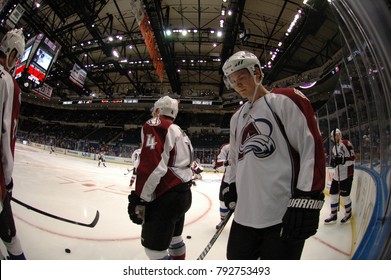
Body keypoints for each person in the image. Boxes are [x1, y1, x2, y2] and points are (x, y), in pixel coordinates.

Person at [222, 51, 326, 260]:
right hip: (244, 216)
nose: (238, 85)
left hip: (281, 214)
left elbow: (311, 148)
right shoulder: (237, 117)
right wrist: (230, 184)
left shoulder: (286, 100)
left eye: (241, 78)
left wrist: (307, 196)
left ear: (257, 73)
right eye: (233, 82)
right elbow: (234, 158)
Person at [127, 96, 194, 260]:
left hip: (165, 196)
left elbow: (153, 166)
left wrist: (140, 198)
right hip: (183, 195)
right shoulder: (179, 130)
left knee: (154, 251)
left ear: (158, 110)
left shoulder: (155, 124)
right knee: (175, 240)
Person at [0, 28, 26, 260]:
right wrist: (7, 182)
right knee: (9, 234)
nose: (16, 62)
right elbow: (6, 134)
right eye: (17, 56)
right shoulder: (7, 82)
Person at [325, 128, 355, 224]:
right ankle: (333, 215)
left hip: (347, 175)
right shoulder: (334, 149)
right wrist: (334, 163)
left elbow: (353, 159)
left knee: (345, 196)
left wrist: (342, 160)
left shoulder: (346, 143)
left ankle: (348, 213)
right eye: (333, 136)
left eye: (337, 135)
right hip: (337, 176)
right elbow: (336, 162)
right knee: (333, 195)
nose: (335, 137)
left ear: (340, 135)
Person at [214, 143, 231, 230]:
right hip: (227, 180)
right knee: (223, 201)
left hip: (243, 181)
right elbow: (218, 164)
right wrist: (227, 162)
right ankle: (223, 220)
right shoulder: (226, 147)